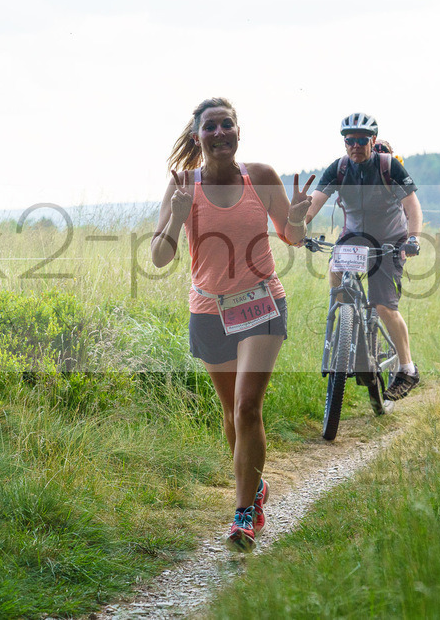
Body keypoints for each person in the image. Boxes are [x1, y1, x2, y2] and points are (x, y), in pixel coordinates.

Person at [150, 97, 313, 553]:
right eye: (211, 126)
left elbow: (293, 238)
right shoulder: (183, 185)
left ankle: (244, 514)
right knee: (230, 415)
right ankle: (255, 487)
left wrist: (296, 219)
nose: (220, 132)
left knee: (246, 408)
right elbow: (159, 257)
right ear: (197, 136)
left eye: (227, 124)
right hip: (209, 310)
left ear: (238, 131)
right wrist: (177, 216)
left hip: (261, 302)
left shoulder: (260, 176)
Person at [303, 112, 423, 400]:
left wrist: (413, 238)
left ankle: (407, 369)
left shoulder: (389, 166)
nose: (355, 145)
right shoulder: (338, 169)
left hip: (390, 240)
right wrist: (298, 227)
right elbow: (312, 206)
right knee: (335, 269)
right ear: (344, 142)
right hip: (354, 236)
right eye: (349, 140)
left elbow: (413, 207)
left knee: (384, 305)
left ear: (372, 140)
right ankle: (345, 326)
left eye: (361, 139)